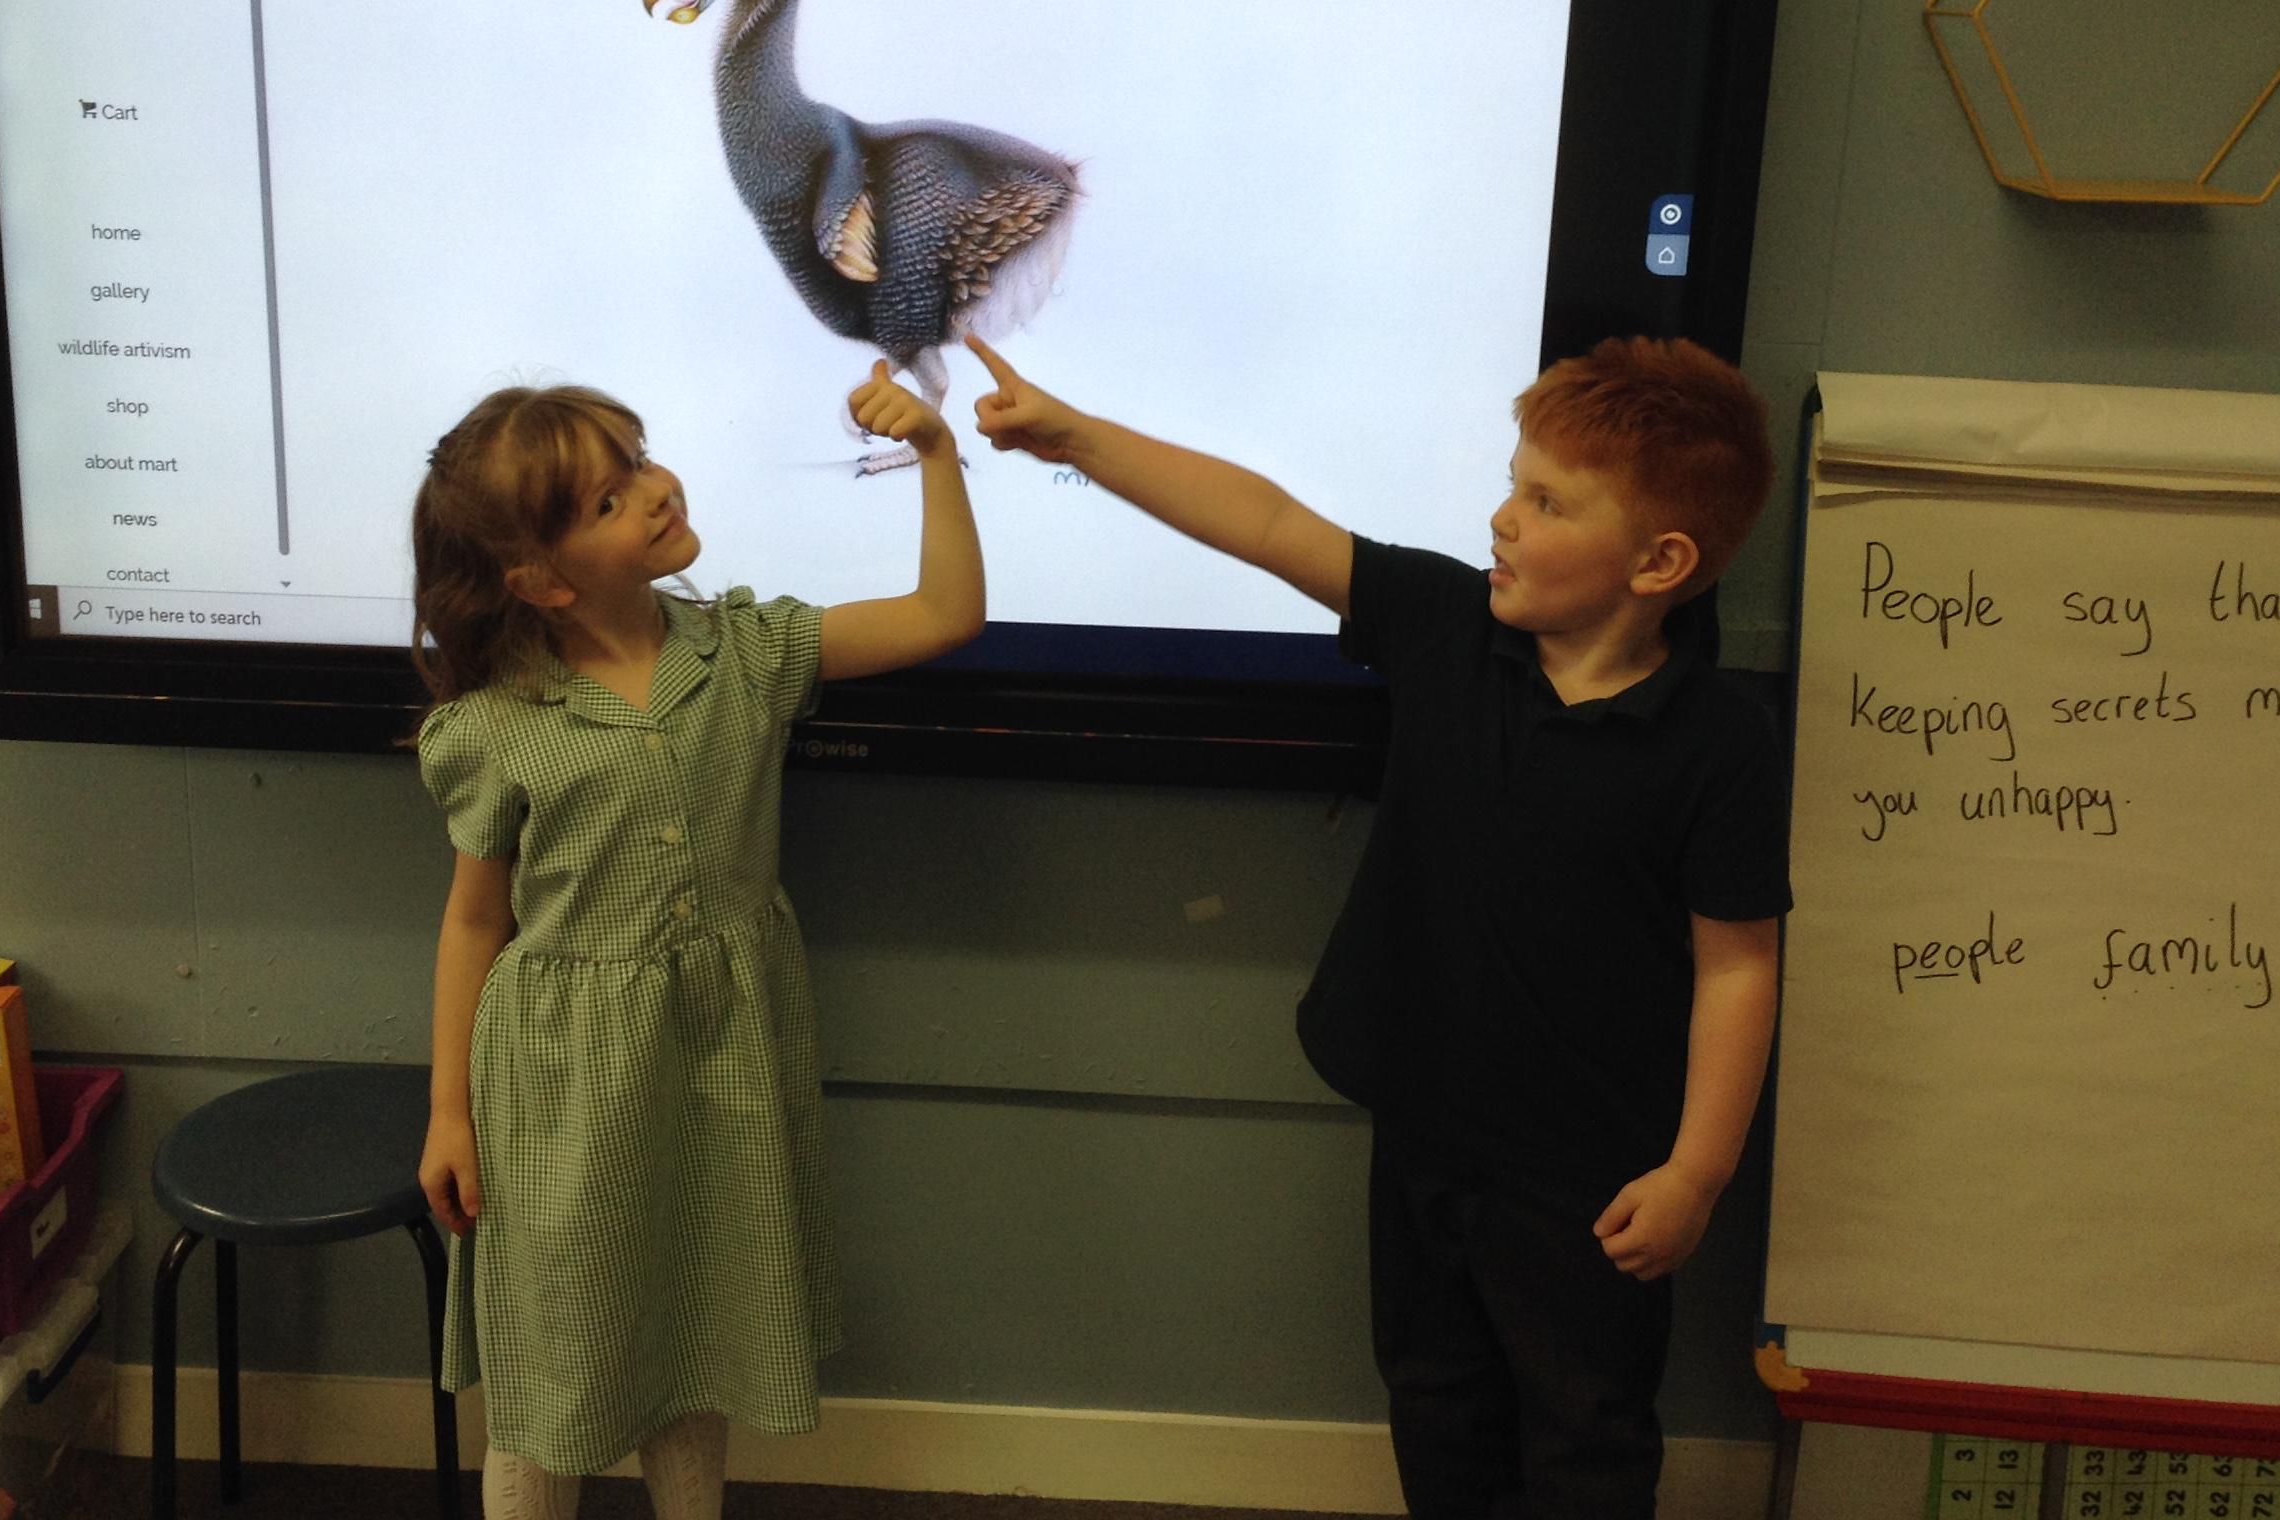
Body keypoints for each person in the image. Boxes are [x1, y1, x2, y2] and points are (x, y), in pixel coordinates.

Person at [969, 331, 1788, 1519]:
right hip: (1424, 1134)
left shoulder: (1720, 744)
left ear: (1659, 561)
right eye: (1512, 484)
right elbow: (1266, 521)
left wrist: (1696, 1174)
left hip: (1592, 1179)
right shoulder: (1451, 627)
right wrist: (1075, 436)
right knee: (1436, 1398)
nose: (1503, 518)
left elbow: (1739, 968)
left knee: (1586, 1431)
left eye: (1547, 502)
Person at [411, 363, 984, 1520]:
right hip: (563, 1083)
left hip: (719, 1061)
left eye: (638, 465)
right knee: (555, 1361)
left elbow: (943, 614)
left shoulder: (748, 653)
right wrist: (447, 1113)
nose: (656, 490)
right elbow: (476, 919)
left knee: (698, 1329)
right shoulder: (496, 725)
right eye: (609, 499)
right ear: (540, 580)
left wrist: (936, 453)